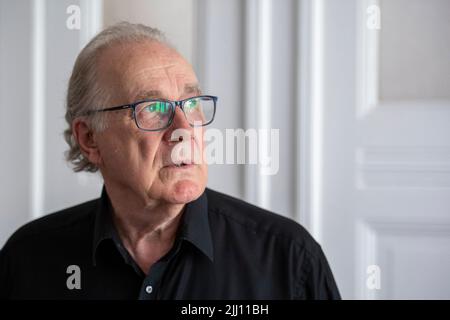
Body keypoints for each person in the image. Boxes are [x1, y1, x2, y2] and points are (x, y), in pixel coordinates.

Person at [0, 22, 340, 299]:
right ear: (89, 138)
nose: (184, 130)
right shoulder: (28, 259)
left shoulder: (288, 259)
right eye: (152, 109)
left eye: (191, 104)